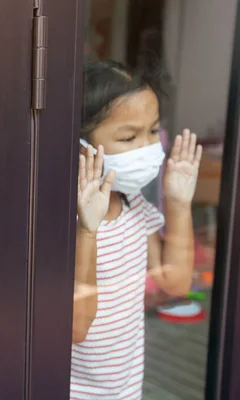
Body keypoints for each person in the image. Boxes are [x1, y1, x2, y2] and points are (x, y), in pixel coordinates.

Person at [71, 60, 201, 399]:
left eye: (153, 131)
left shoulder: (133, 204)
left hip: (125, 390)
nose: (147, 147)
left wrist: (178, 203)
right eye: (129, 137)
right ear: (81, 145)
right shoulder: (62, 220)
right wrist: (87, 230)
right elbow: (75, 328)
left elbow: (174, 281)